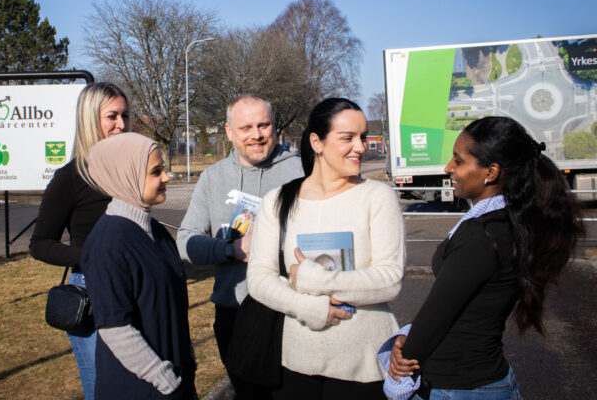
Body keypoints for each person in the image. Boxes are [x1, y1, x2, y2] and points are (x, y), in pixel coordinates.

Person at [387, 116, 585, 400]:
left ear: (490, 172)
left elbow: (437, 315)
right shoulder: (508, 221)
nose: (448, 168)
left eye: (458, 160)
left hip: (461, 387)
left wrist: (405, 353)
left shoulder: (482, 235)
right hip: (481, 381)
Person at [247, 97, 405, 399]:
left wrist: (314, 280)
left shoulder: (378, 197)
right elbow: (259, 279)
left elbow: (390, 279)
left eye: (362, 137)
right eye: (347, 138)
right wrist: (307, 306)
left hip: (363, 364)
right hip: (296, 363)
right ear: (316, 142)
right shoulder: (277, 200)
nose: (359, 147)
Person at [176, 93, 303, 398]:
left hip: (291, 311)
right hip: (235, 312)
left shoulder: (301, 172)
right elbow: (185, 241)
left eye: (264, 125)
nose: (256, 135)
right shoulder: (212, 177)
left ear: (275, 127)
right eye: (246, 128)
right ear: (229, 131)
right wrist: (230, 250)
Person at [29, 81, 129, 400]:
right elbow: (40, 243)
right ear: (89, 119)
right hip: (92, 292)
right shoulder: (70, 178)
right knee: (105, 388)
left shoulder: (129, 171)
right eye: (112, 116)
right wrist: (89, 256)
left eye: (125, 115)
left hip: (132, 289)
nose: (122, 124)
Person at [81, 133, 197, 399]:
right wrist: (163, 378)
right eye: (156, 172)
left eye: (163, 169)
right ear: (126, 175)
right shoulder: (107, 243)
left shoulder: (154, 229)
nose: (166, 177)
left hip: (174, 380)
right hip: (141, 387)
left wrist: (185, 356)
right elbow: (115, 328)